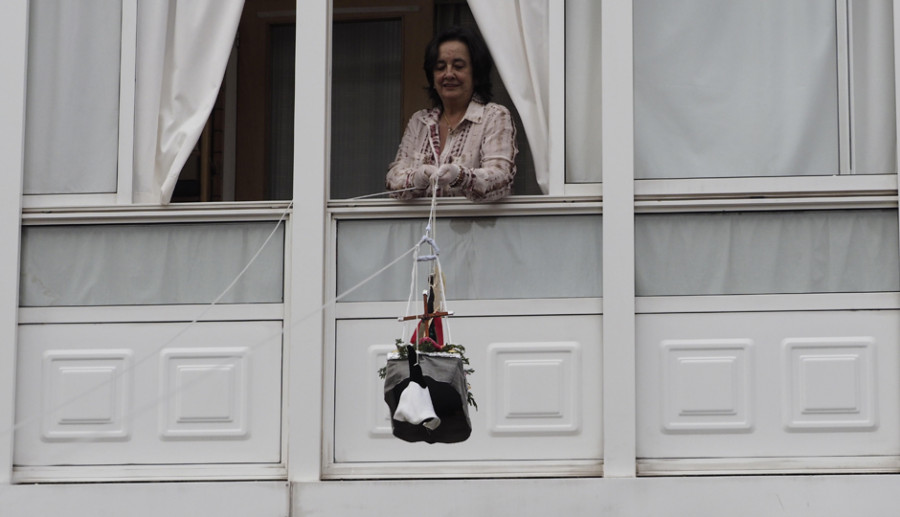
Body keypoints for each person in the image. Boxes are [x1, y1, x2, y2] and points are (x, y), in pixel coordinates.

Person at [386, 26, 517, 202]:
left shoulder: (494, 117)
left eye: (458, 66)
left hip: (480, 228)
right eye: (440, 67)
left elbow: (501, 178)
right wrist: (417, 178)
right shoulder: (420, 121)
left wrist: (460, 177)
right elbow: (393, 181)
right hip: (421, 228)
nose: (448, 74)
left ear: (476, 74)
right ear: (432, 77)